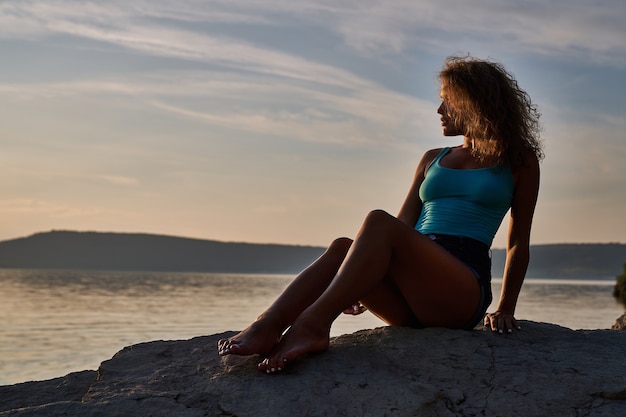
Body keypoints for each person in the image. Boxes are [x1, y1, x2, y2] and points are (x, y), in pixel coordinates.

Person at [218, 55, 543, 374]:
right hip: (409, 297)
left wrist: (505, 308)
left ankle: (312, 326)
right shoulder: (433, 158)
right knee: (343, 248)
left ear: (472, 101)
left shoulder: (518, 160)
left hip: (459, 291)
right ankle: (268, 325)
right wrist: (358, 279)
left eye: (448, 101)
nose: (439, 110)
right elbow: (403, 227)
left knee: (376, 220)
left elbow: (518, 242)